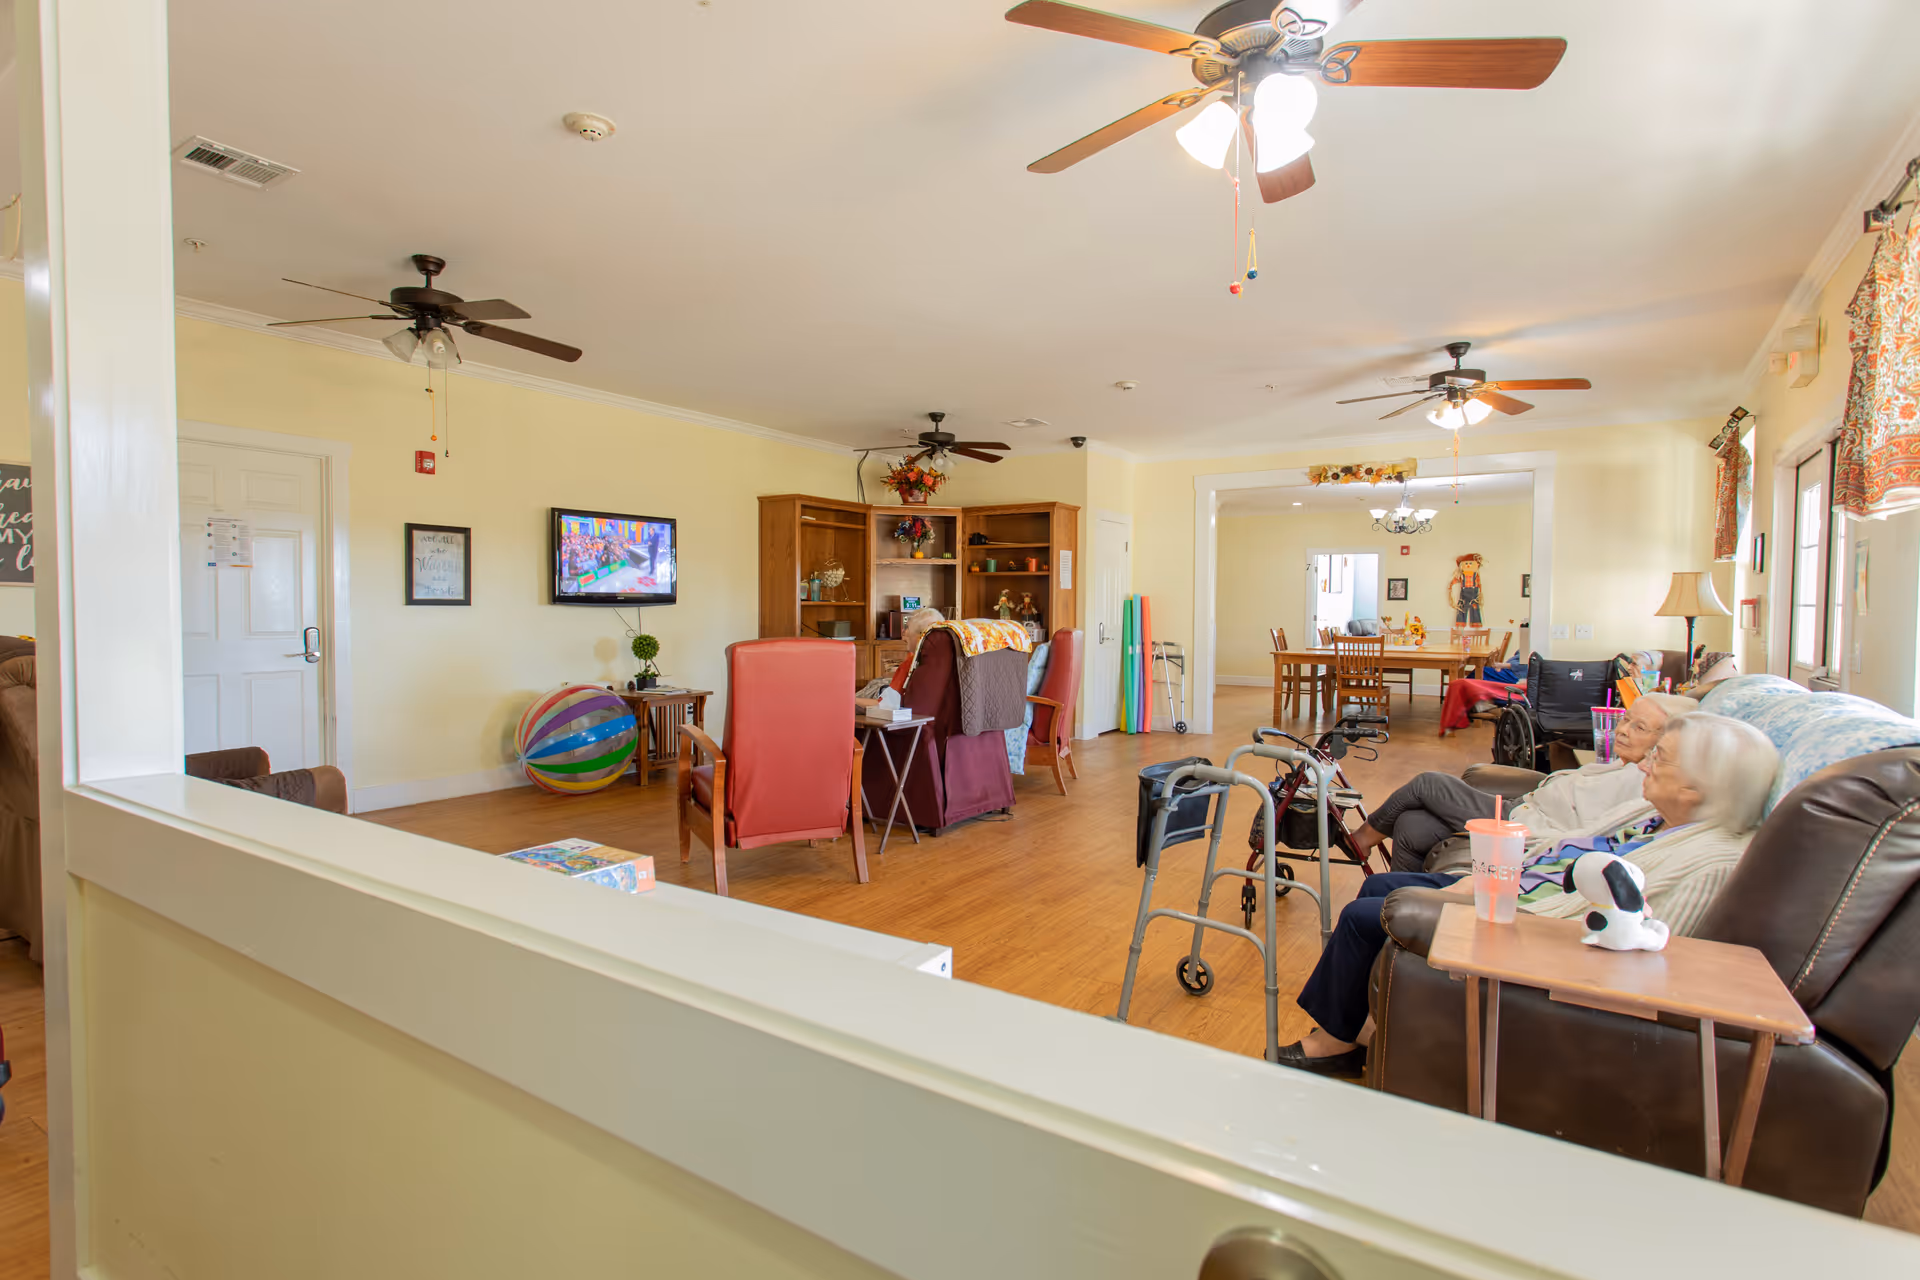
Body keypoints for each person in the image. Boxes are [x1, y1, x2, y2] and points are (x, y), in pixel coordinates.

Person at [1276, 711, 1778, 1076]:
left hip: (1527, 916)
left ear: (1696, 788)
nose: (1645, 764)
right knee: (1380, 883)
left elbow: (1643, 953)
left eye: (1660, 757)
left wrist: (1481, 894)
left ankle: (1336, 1044)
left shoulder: (1709, 862)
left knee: (1364, 914)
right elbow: (1569, 842)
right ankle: (1360, 1024)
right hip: (1516, 882)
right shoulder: (1658, 816)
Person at [1353, 692, 1697, 873]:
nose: (1622, 730)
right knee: (1412, 823)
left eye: (1639, 727)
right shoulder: (1623, 766)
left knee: (1428, 783)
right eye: (1625, 720)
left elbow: (1590, 830)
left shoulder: (1645, 781)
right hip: (1527, 808)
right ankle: (1398, 906)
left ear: (1665, 743)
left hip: (1522, 825)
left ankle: (1361, 839)